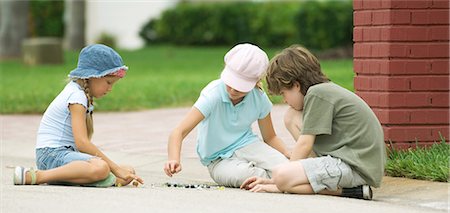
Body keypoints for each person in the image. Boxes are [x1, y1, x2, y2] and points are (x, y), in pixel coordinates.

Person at [241, 45, 386, 200]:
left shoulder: (317, 94)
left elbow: (305, 144)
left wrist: (280, 179)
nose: (284, 100)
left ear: (296, 85)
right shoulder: (321, 91)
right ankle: (354, 191)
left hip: (356, 167)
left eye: (284, 93)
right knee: (291, 117)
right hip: (356, 163)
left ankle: (343, 190)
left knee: (281, 175)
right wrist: (276, 181)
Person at [13, 44, 144, 187]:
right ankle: (38, 176)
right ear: (92, 76)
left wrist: (118, 170)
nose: (110, 88)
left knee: (128, 170)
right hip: (51, 155)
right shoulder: (77, 96)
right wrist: (116, 169)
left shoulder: (79, 93)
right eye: (108, 82)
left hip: (62, 156)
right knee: (102, 167)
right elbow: (82, 143)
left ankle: (77, 177)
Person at [164, 43, 289, 187]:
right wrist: (174, 159)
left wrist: (287, 153)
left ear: (256, 81)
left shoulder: (259, 98)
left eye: (240, 86)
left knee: (286, 167)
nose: (233, 90)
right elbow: (178, 132)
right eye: (231, 82)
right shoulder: (213, 94)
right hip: (218, 160)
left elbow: (270, 137)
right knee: (247, 176)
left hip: (248, 145)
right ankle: (280, 182)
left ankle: (282, 179)